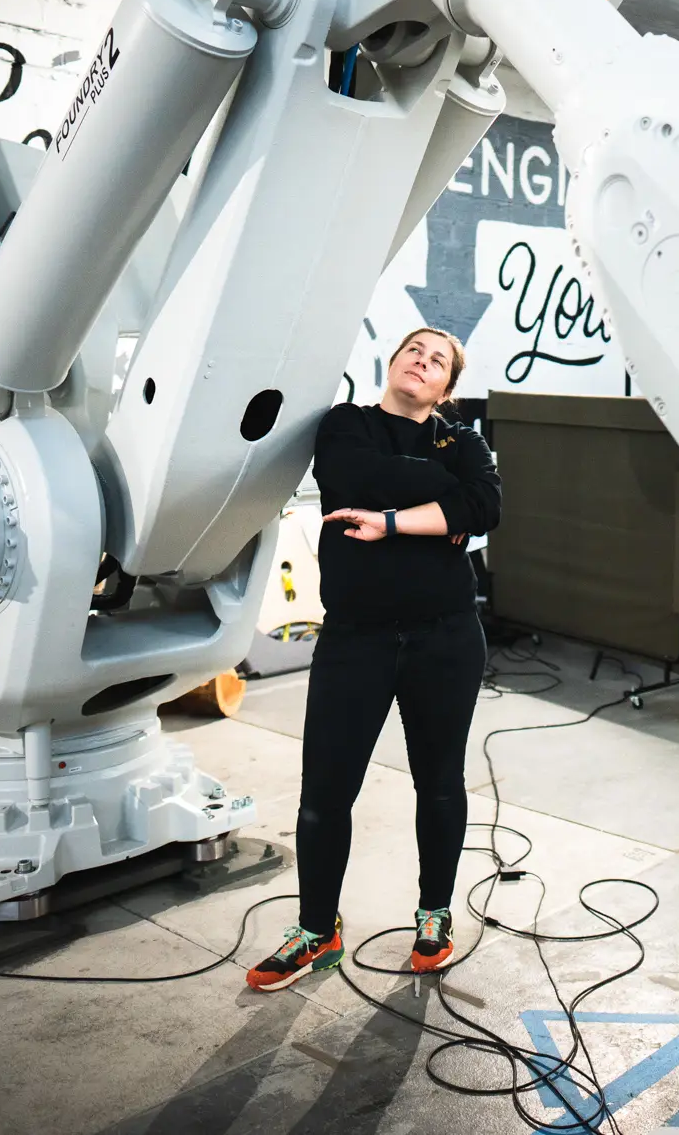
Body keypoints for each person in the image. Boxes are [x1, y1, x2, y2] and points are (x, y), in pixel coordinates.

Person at [247, 327, 502, 992]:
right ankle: (315, 928)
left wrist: (390, 520)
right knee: (325, 793)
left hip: (446, 636)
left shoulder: (462, 440)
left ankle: (435, 914)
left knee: (440, 782)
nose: (423, 359)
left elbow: (486, 507)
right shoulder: (346, 424)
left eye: (438, 359)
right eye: (414, 349)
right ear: (393, 363)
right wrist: (441, 502)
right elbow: (354, 476)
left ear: (446, 387)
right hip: (355, 638)